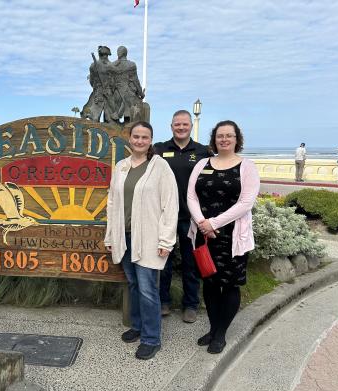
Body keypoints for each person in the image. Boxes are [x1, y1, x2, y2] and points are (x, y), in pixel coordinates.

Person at [104, 121, 179, 360]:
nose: (139, 141)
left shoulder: (160, 167)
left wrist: (166, 240)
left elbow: (171, 206)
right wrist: (110, 235)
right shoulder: (122, 167)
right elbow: (112, 203)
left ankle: (151, 338)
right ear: (129, 138)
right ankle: (137, 326)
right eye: (136, 136)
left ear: (151, 140)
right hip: (124, 236)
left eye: (144, 137)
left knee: (148, 288)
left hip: (148, 237)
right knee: (134, 284)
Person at [187, 120, 260, 354]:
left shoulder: (246, 166)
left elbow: (246, 202)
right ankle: (212, 328)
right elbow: (191, 197)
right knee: (209, 284)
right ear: (214, 139)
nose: (224, 139)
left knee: (229, 286)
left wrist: (214, 223)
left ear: (237, 139)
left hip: (232, 237)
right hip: (204, 236)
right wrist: (202, 223)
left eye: (229, 135)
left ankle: (221, 333)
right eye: (220, 136)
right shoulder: (202, 164)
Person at [154, 110, 211, 323]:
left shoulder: (203, 151)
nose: (181, 127)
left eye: (184, 124)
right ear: (171, 126)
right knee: (163, 262)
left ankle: (190, 305)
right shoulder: (159, 149)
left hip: (191, 219)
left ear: (190, 126)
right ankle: (163, 302)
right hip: (165, 217)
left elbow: (208, 183)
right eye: (177, 124)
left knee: (191, 264)